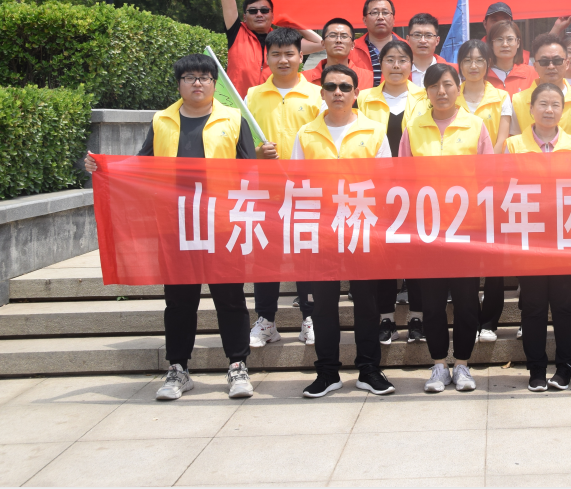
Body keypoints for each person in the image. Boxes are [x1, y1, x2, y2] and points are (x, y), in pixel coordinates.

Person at [84, 54, 256, 401]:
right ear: (179, 84)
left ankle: (238, 365)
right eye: (190, 77)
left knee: (230, 298)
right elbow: (142, 163)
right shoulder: (162, 120)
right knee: (179, 301)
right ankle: (178, 368)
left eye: (204, 77)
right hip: (176, 224)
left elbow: (251, 170)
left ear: (214, 84)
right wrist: (105, 167)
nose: (197, 83)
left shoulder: (234, 119)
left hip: (221, 224)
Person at [289, 64, 394, 398]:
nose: (338, 92)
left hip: (362, 227)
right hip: (322, 231)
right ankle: (327, 372)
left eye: (345, 87)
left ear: (356, 93)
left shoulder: (374, 131)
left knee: (367, 303)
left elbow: (386, 183)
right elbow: (297, 184)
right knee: (322, 305)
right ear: (321, 93)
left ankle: (369, 369)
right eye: (331, 87)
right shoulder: (306, 134)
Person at [400, 63, 494, 393]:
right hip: (428, 232)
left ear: (458, 87)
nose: (441, 91)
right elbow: (403, 179)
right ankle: (439, 365)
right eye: (434, 86)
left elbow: (488, 178)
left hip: (466, 230)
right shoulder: (414, 128)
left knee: (467, 302)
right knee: (433, 302)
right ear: (426, 91)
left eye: (448, 84)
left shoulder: (475, 125)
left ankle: (463, 364)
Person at [501, 82, 571, 391]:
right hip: (530, 238)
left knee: (565, 308)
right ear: (531, 108)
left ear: (563, 110)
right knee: (534, 308)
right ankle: (536, 370)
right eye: (543, 104)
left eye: (555, 105)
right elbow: (504, 187)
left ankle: (565, 369)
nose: (549, 110)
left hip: (567, 238)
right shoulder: (513, 145)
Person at [244, 28, 325, 351]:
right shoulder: (252, 96)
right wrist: (256, 153)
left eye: (289, 53)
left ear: (301, 57)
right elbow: (241, 143)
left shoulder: (316, 95)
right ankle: (266, 320)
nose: (283, 60)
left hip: (306, 189)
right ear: (267, 57)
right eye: (276, 54)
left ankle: (310, 318)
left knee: (307, 256)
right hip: (265, 190)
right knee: (267, 256)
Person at [356, 39, 429, 344]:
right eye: (390, 60)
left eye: (402, 60)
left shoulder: (424, 97)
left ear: (411, 65)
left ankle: (418, 317)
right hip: (376, 190)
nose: (396, 66)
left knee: (416, 254)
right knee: (383, 255)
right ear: (381, 65)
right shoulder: (364, 98)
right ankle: (386, 317)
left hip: (417, 189)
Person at [456, 39, 513, 344]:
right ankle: (469, 316)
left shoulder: (501, 96)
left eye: (479, 60)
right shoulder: (451, 94)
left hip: (492, 184)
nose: (474, 66)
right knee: (465, 255)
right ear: (460, 65)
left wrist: (485, 172)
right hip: (458, 189)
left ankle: (490, 320)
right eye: (468, 60)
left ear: (488, 64)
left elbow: (502, 140)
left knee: (493, 255)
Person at [220, 0, 322, 100]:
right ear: (244, 17)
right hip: (238, 107)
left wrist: (293, 24)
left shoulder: (282, 39)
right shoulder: (237, 33)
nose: (259, 14)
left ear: (272, 15)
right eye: (253, 11)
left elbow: (321, 44)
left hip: (271, 105)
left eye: (264, 10)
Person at [512, 33, 571, 136]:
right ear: (535, 66)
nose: (551, 66)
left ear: (567, 64)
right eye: (544, 61)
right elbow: (514, 141)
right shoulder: (518, 101)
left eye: (557, 61)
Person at [303, 17, 374, 90]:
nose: (338, 40)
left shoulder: (370, 79)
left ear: (352, 45)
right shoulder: (303, 79)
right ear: (323, 43)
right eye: (332, 36)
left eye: (344, 36)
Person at [351, 0, 404, 87]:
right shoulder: (351, 49)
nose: (380, 17)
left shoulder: (408, 48)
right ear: (364, 20)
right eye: (374, 13)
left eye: (385, 12)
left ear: (394, 19)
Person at [485, 19, 537, 95]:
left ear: (518, 43)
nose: (505, 44)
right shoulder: (482, 75)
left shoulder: (533, 73)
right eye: (499, 39)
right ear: (491, 44)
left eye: (510, 39)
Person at [407, 13, 450, 85]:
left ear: (437, 40)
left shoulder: (451, 71)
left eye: (428, 35)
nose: (422, 41)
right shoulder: (397, 71)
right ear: (408, 39)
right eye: (417, 35)